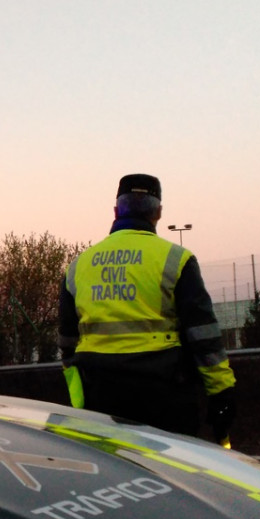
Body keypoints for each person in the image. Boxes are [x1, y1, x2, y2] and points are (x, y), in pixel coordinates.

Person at [57, 174, 236, 443]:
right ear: (158, 213)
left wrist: (79, 399)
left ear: (116, 211)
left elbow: (67, 344)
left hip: (99, 393)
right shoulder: (176, 260)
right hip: (163, 393)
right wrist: (221, 393)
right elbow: (204, 337)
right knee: (170, 473)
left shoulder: (79, 266)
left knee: (114, 472)